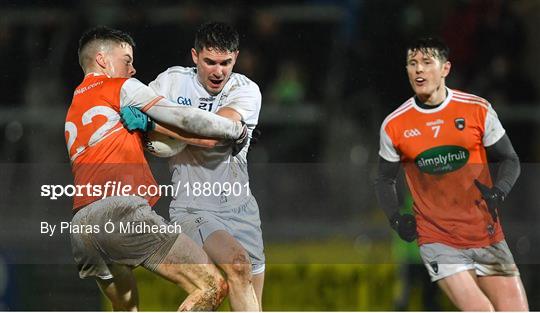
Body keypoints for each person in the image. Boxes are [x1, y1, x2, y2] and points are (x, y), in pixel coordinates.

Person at [65, 26, 249, 311]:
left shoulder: (76, 105)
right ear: (102, 60)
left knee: (126, 309)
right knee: (211, 285)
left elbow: (166, 135)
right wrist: (233, 129)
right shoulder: (118, 88)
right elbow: (183, 117)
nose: (133, 69)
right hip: (121, 212)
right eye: (126, 61)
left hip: (82, 226)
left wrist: (171, 133)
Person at [375, 37, 528, 311]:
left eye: (426, 62)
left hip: (487, 233)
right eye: (412, 64)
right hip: (438, 239)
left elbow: (510, 159)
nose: (418, 70)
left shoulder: (476, 109)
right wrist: (396, 219)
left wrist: (500, 190)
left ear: (445, 68)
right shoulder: (394, 125)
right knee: (480, 310)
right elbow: (384, 179)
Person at [121, 22, 264, 311]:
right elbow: (137, 116)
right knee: (236, 265)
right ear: (194, 56)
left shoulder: (247, 91)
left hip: (242, 208)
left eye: (225, 63)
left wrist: (157, 122)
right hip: (194, 205)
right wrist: (149, 128)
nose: (218, 71)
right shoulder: (171, 82)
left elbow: (211, 132)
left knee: (247, 293)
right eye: (209, 62)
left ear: (235, 58)